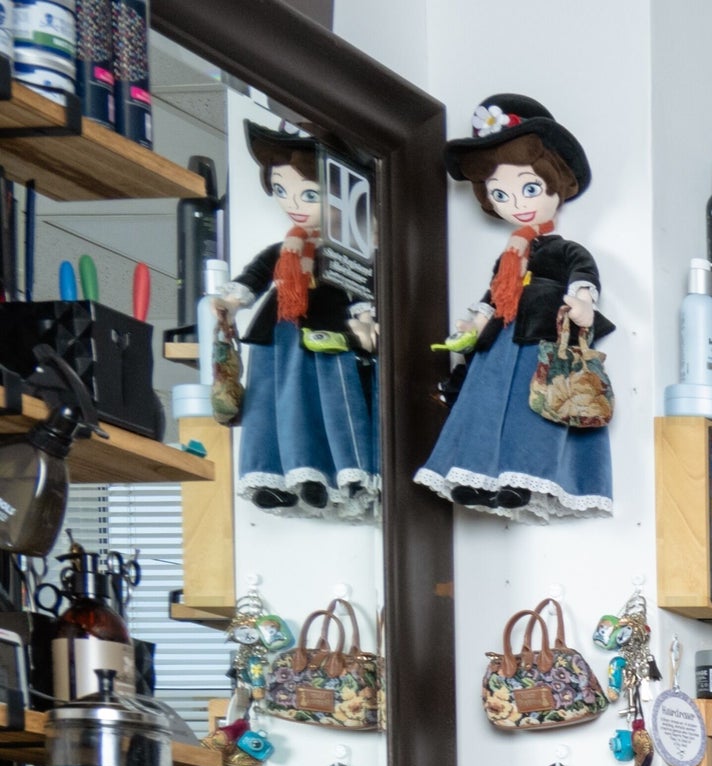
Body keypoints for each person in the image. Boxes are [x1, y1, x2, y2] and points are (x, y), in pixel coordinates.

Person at [412, 95, 610, 520]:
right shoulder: (509, 259)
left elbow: (583, 271)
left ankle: (521, 478)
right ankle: (477, 474)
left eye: (529, 188)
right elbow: (493, 295)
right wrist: (476, 317)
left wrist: (582, 299)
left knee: (533, 413)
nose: (515, 202)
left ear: (556, 183)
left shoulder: (562, 249)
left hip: (538, 340)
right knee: (482, 407)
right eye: (499, 193)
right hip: (499, 341)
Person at [221, 126, 381, 518]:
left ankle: (335, 471)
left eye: (309, 194)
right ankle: (272, 474)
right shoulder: (282, 250)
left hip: (324, 329)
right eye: (281, 190)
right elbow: (253, 279)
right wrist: (230, 301)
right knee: (271, 403)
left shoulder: (344, 252)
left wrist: (364, 320)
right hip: (280, 331)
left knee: (328, 402)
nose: (293, 203)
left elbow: (359, 286)